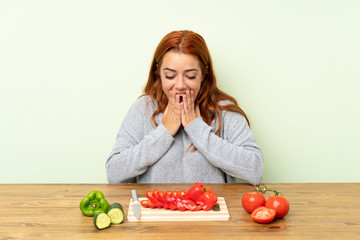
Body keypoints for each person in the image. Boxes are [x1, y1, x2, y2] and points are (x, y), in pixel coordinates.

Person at [106, 30, 263, 184]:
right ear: (158, 73)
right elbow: (114, 173)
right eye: (170, 76)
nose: (180, 85)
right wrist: (164, 131)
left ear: (204, 74)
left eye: (190, 76)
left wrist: (196, 127)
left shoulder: (224, 111)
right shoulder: (143, 109)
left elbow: (255, 170)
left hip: (211, 209)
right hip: (156, 208)